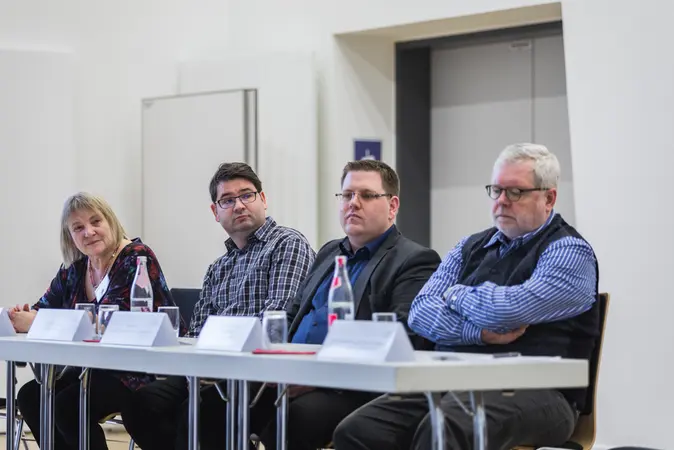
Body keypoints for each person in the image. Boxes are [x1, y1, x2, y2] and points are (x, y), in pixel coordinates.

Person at [333, 143, 600, 450]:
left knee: (447, 425)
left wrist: (456, 293)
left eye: (515, 192)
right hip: (455, 381)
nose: (501, 201)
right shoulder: (469, 246)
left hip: (541, 392)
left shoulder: (568, 251)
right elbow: (421, 311)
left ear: (549, 197)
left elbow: (507, 312)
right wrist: (477, 332)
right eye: (496, 190)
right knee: (358, 430)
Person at [229, 159, 440, 450]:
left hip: (352, 388)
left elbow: (401, 337)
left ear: (392, 206)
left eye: (366, 195)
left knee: (298, 415)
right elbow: (293, 313)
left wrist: (319, 377)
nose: (353, 203)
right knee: (219, 402)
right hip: (291, 373)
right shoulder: (329, 252)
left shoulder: (414, 260)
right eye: (347, 195)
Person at [121, 162, 316, 450]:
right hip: (211, 369)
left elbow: (276, 321)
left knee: (201, 412)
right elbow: (197, 329)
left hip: (262, 376)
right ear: (215, 212)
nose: (238, 205)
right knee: (141, 404)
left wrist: (213, 364)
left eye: (247, 195)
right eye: (227, 200)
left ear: (263, 199)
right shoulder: (219, 267)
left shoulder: (287, 244)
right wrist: (199, 369)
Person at [10, 192, 176, 450]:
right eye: (78, 228)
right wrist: (22, 317)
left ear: (110, 222)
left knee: (68, 406)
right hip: (90, 368)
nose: (89, 232)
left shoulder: (136, 257)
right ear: (70, 236)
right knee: (31, 396)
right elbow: (41, 309)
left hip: (137, 368)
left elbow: (109, 322)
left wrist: (38, 321)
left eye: (95, 222)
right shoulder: (74, 269)